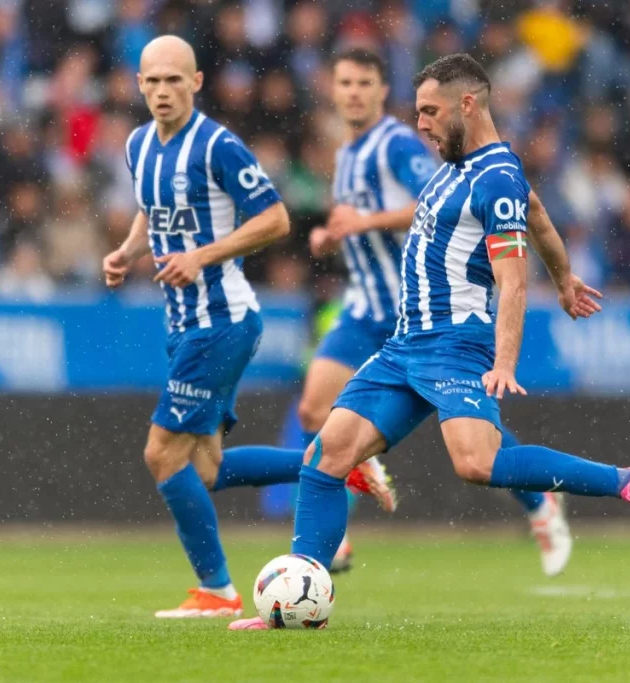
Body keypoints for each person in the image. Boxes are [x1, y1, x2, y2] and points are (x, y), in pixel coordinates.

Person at [229, 54, 630, 630]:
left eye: (430, 111)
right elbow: (538, 215)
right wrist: (565, 278)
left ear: (468, 104)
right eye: (418, 112)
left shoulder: (494, 176)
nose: (421, 124)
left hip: (454, 347)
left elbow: (513, 279)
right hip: (403, 344)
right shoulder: (457, 167)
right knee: (324, 457)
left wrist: (505, 359)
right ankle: (298, 600)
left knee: (476, 463)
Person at [226, 48, 575, 576]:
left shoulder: (399, 147)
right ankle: (340, 510)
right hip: (364, 305)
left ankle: (535, 499)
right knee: (313, 411)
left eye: (365, 82)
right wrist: (333, 236)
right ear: (333, 88)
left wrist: (363, 222)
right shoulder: (346, 154)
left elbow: (434, 206)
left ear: (380, 92)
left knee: (468, 432)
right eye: (344, 82)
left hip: (416, 309)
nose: (353, 92)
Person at [101, 36, 384, 620]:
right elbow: (151, 209)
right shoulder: (137, 145)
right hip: (184, 323)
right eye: (151, 81)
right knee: (206, 467)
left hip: (221, 320)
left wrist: (203, 255)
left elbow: (276, 218)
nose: (161, 91)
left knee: (161, 455)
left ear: (196, 82)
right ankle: (335, 463)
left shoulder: (217, 145)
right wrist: (129, 251)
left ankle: (217, 589)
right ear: (138, 85)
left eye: (173, 81)